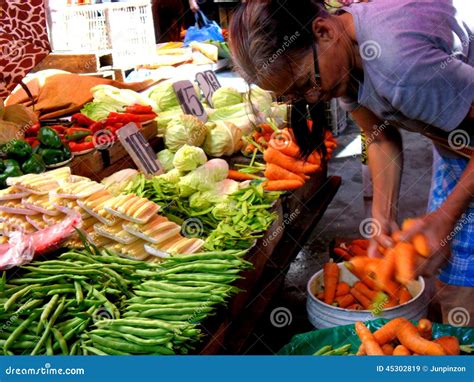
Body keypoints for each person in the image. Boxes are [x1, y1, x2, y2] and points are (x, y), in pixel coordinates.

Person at [229, 0, 473, 324]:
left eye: (306, 84)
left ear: (323, 31)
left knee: (463, 302)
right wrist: (382, 218)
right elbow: (379, 136)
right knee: (449, 283)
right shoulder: (344, 59)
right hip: (459, 150)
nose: (313, 97)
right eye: (297, 96)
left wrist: (444, 217)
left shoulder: (400, 65)